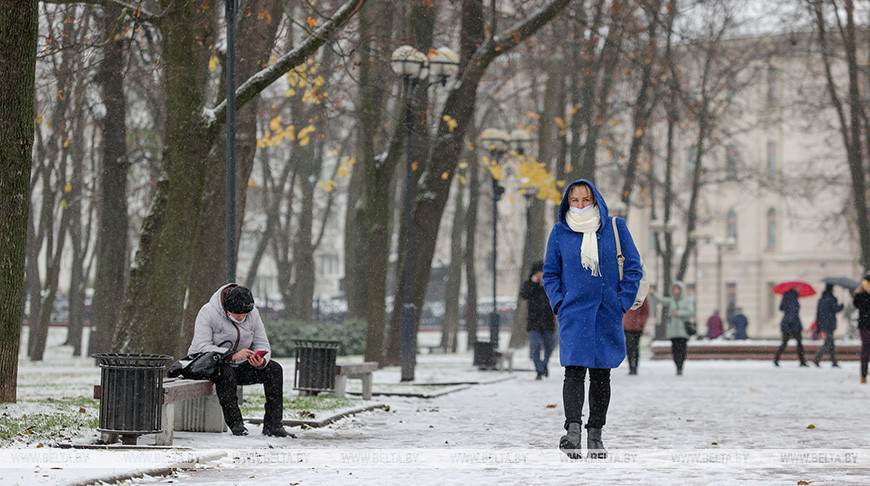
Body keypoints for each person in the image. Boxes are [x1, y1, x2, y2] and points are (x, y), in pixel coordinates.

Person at [543, 179, 643, 460]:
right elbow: (551, 273)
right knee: (574, 371)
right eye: (575, 200)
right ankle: (573, 432)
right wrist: (560, 303)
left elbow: (633, 267)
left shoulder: (614, 226)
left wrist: (621, 302)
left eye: (586, 200)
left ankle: (595, 435)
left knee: (601, 374)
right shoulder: (560, 231)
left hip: (606, 313)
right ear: (567, 202)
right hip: (573, 313)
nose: (580, 205)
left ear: (595, 200)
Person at [188, 284, 291, 437]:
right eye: (237, 315)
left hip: (241, 365)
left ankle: (273, 425)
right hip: (211, 366)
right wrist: (230, 355)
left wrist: (260, 360)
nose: (242, 318)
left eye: (245, 314)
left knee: (274, 369)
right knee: (225, 372)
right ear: (226, 309)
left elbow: (262, 343)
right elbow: (201, 347)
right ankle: (236, 424)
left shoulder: (252, 314)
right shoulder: (208, 312)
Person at [520, 260, 556, 380]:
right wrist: (533, 283)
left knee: (550, 346)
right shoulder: (529, 284)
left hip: (548, 321)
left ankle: (544, 363)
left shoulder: (550, 284)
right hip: (534, 322)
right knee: (534, 347)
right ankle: (539, 370)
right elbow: (524, 295)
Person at [650, 281, 695, 375]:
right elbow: (661, 300)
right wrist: (653, 294)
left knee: (682, 349)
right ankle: (677, 365)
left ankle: (681, 366)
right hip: (673, 331)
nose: (676, 291)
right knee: (675, 350)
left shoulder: (686, 301)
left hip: (683, 331)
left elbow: (690, 311)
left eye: (678, 289)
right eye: (674, 289)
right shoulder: (671, 300)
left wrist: (677, 313)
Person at [773, 288, 807, 367]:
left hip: (785, 323)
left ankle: (776, 359)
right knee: (799, 344)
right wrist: (791, 321)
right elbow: (793, 311)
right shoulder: (794, 298)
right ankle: (802, 361)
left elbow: (781, 308)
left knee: (784, 343)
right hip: (794, 324)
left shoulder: (785, 297)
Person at [813, 284, 843, 367]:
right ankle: (816, 359)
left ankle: (834, 362)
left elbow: (818, 313)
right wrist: (841, 306)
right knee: (827, 343)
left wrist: (819, 324)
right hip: (830, 323)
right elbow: (835, 309)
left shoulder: (821, 299)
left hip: (823, 323)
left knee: (831, 344)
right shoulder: (832, 299)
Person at [622, 296, 649, 375]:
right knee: (629, 347)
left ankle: (635, 367)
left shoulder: (642, 296)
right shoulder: (626, 293)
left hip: (637, 327)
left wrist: (641, 323)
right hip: (627, 326)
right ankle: (631, 367)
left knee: (635, 347)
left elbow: (645, 312)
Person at [853, 275, 870, 384]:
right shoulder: (861, 295)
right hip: (864, 326)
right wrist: (859, 293)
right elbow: (856, 304)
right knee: (866, 349)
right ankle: (863, 375)